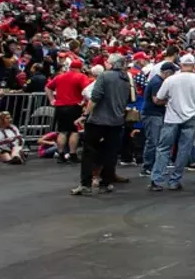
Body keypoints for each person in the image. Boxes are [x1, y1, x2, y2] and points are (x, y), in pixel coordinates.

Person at [73, 54, 131, 195]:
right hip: (116, 120)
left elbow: (95, 97)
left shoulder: (105, 76)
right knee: (110, 152)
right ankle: (106, 182)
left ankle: (85, 184)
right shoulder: (125, 78)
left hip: (99, 120)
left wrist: (85, 114)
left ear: (111, 64)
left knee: (89, 152)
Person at [150, 54, 195, 192]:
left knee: (163, 148)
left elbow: (158, 99)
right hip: (192, 116)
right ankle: (175, 180)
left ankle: (157, 179)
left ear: (180, 65)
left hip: (172, 117)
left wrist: (171, 101)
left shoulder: (170, 80)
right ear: (194, 66)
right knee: (184, 149)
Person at [45, 57, 90, 164]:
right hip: (74, 106)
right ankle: (72, 154)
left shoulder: (59, 77)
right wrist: (84, 101)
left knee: (62, 131)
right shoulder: (81, 77)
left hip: (60, 107)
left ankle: (60, 154)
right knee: (74, 131)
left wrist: (52, 100)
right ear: (80, 68)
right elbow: (87, 90)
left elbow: (47, 87)